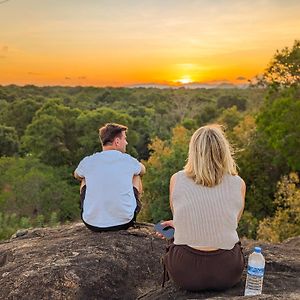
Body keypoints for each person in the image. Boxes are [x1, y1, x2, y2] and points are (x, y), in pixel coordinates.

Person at [159, 124, 246, 291]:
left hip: (185, 273)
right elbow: (232, 221)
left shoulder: (177, 179)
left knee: (169, 234)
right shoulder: (238, 183)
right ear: (224, 150)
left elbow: (178, 212)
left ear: (193, 151)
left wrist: (179, 223)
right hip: (227, 273)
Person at [74, 123, 146, 232]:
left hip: (91, 224)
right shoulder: (128, 160)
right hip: (124, 223)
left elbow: (76, 174)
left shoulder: (88, 161)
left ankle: (96, 213)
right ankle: (127, 210)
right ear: (117, 141)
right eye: (125, 139)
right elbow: (143, 170)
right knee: (136, 175)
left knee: (84, 178)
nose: (126, 142)